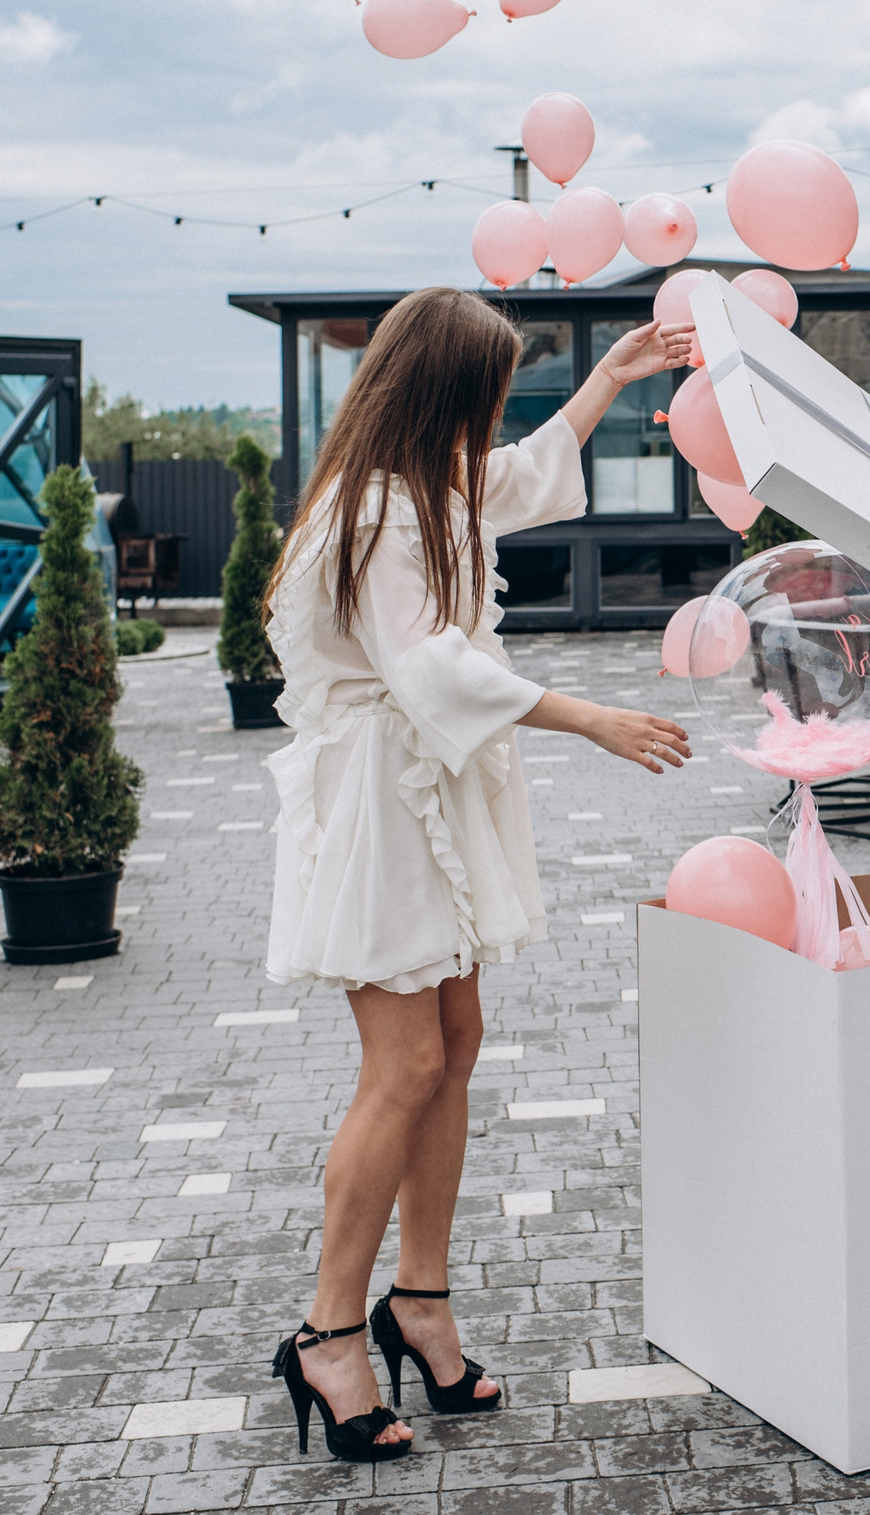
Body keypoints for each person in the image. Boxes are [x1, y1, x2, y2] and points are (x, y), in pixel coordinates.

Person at [262, 287, 696, 1462]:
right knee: (400, 1065)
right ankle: (326, 1334)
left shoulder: (419, 488)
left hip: (424, 798)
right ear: (448, 394)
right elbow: (432, 669)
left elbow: (515, 477)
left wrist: (615, 379)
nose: (498, 416)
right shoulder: (375, 514)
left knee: (452, 1047)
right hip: (379, 809)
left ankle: (422, 1300)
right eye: (490, 394)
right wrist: (589, 716)